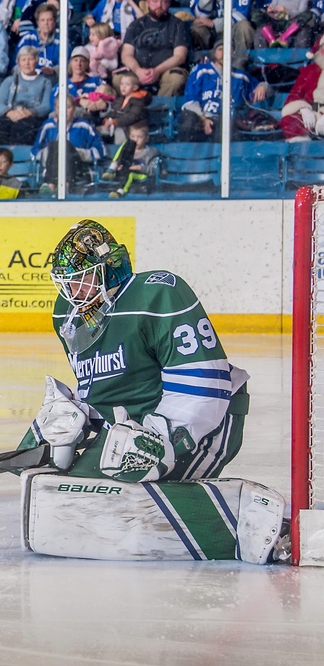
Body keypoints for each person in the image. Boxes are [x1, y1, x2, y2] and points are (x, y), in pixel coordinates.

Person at [16, 220, 288, 565]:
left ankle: (262, 525)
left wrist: (162, 437)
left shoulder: (158, 293)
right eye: (67, 283)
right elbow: (107, 389)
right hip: (133, 428)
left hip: (207, 423)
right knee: (65, 493)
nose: (74, 292)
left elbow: (205, 383)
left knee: (114, 498)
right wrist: (75, 422)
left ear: (110, 268)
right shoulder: (67, 314)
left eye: (82, 279)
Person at [177, 39, 268, 142]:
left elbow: (264, 87)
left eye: (228, 50)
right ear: (215, 52)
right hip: (199, 119)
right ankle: (185, 155)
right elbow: (190, 100)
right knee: (187, 119)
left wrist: (262, 86)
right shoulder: (201, 70)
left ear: (233, 53)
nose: (224, 53)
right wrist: (203, 119)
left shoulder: (241, 76)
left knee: (227, 126)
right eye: (220, 49)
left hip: (223, 123)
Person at [32, 94, 105, 195]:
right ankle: (53, 185)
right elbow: (35, 151)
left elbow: (101, 151)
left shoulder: (84, 126)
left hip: (79, 170)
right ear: (55, 109)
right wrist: (51, 154)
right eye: (59, 107)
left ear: (74, 108)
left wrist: (76, 153)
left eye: (68, 107)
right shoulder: (48, 126)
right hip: (51, 168)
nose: (63, 110)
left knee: (64, 145)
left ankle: (62, 185)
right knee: (56, 145)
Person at [117, 0, 190, 97]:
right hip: (138, 71)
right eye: (155, 1)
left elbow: (180, 56)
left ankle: (160, 107)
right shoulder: (136, 25)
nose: (159, 6)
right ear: (148, 2)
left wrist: (157, 71)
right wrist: (138, 70)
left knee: (176, 78)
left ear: (169, 3)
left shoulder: (178, 25)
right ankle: (133, 104)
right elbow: (126, 55)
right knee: (118, 79)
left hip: (165, 71)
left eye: (164, 2)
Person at [0, 46, 52, 145]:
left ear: (36, 61)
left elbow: (46, 106)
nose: (27, 63)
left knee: (21, 129)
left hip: (31, 118)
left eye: (30, 59)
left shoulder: (45, 82)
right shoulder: (9, 80)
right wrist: (9, 113)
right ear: (19, 62)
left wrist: (28, 112)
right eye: (23, 59)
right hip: (10, 114)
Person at [281, 35, 324, 140]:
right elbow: (294, 95)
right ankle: (304, 152)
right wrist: (303, 109)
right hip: (312, 115)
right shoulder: (309, 71)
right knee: (289, 123)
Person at [101, 121, 158, 197]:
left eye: (139, 137)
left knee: (130, 174)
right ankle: (112, 171)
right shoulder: (127, 149)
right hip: (125, 172)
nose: (135, 140)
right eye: (133, 137)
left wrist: (139, 168)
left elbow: (153, 170)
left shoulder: (151, 153)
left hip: (141, 175)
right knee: (124, 149)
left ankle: (121, 191)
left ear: (146, 138)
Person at [190, 0, 256, 57]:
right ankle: (201, 64)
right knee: (197, 29)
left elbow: (242, 16)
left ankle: (240, 65)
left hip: (234, 29)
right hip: (210, 32)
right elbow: (200, 16)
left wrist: (214, 23)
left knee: (244, 26)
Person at [15, 3, 64, 79]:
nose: (46, 23)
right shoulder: (28, 38)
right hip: (27, 78)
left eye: (49, 20)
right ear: (38, 22)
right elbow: (15, 64)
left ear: (54, 22)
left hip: (50, 78)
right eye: (43, 20)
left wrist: (53, 70)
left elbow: (67, 66)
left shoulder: (62, 40)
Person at [100, 71, 151, 143]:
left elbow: (132, 117)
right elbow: (113, 111)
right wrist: (107, 119)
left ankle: (119, 152)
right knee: (97, 131)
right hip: (116, 126)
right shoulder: (120, 100)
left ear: (135, 87)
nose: (123, 87)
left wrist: (115, 122)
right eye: (122, 84)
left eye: (127, 84)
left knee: (119, 132)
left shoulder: (138, 102)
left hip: (129, 129)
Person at [251, 0, 317, 48]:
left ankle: (284, 37)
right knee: (256, 13)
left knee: (308, 14)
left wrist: (287, 11)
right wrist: (270, 11)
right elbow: (273, 10)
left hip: (291, 23)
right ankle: (271, 38)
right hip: (275, 22)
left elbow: (302, 12)